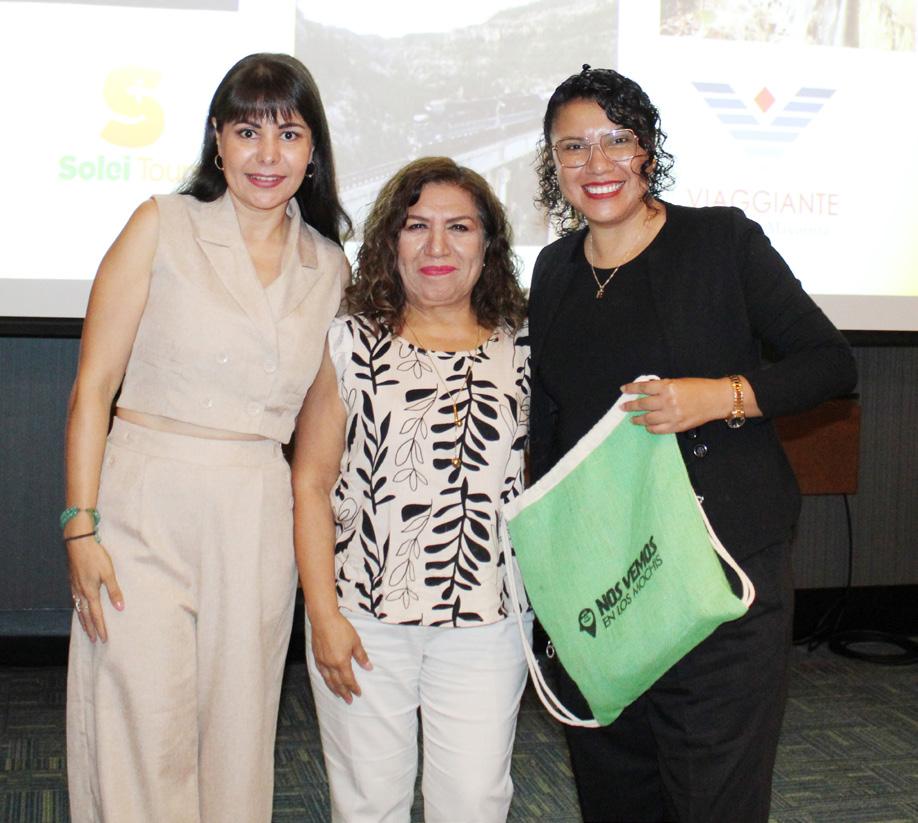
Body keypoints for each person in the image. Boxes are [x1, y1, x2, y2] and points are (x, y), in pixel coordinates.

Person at [528, 66, 857, 823]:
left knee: (712, 799)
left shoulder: (720, 242)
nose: (597, 162)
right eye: (573, 147)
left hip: (718, 577)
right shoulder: (553, 270)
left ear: (648, 148)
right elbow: (553, 422)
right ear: (554, 163)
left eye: (616, 140)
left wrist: (720, 397)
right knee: (616, 793)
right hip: (606, 587)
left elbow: (829, 362)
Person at [63, 53, 351, 822]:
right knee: (139, 720)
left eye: (288, 133)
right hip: (143, 507)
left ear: (313, 151)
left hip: (255, 516)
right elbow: (92, 388)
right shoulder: (162, 224)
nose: (267, 153)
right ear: (217, 141)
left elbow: (323, 432)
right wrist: (79, 526)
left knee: (237, 730)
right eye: (247, 131)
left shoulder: (329, 267)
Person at [293, 157, 532, 822]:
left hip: (489, 619)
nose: (437, 246)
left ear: (488, 243)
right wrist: (323, 616)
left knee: (474, 801)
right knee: (369, 803)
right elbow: (310, 483)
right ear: (390, 241)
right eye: (416, 225)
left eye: (459, 227)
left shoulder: (525, 346)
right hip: (362, 616)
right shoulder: (350, 340)